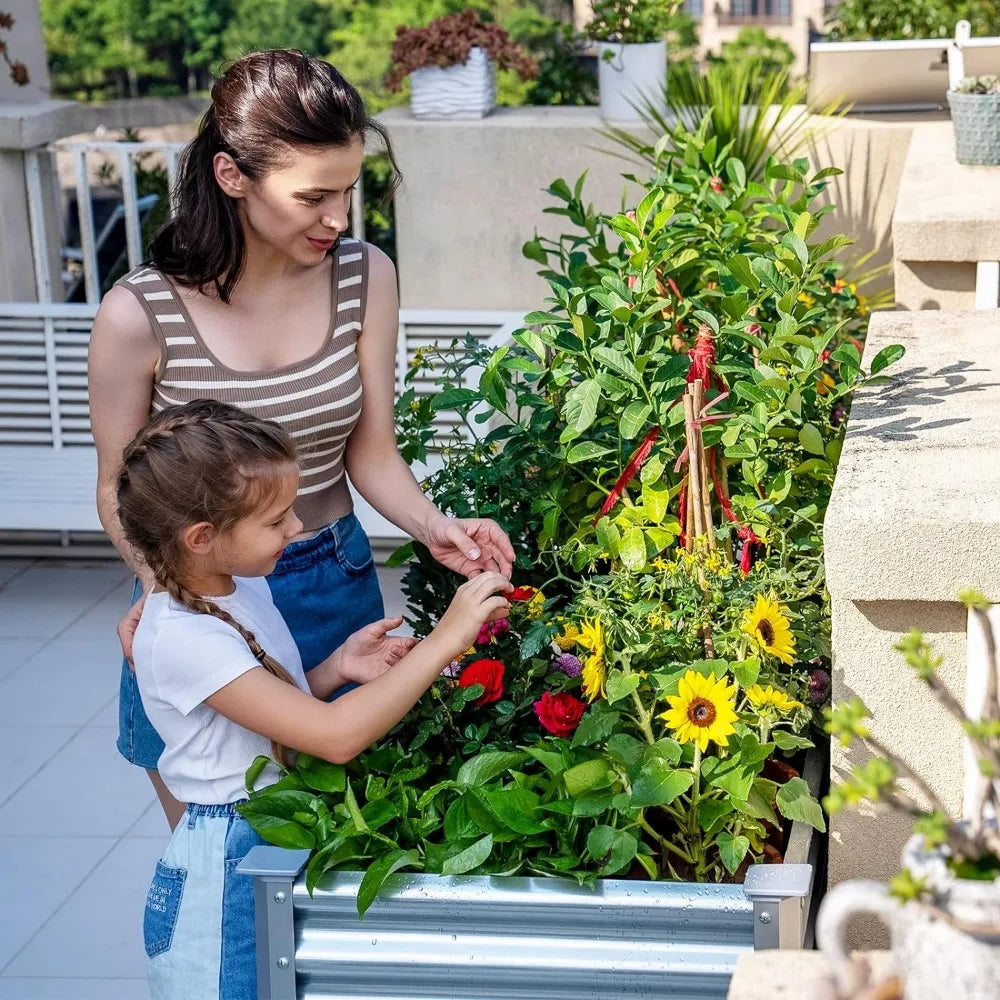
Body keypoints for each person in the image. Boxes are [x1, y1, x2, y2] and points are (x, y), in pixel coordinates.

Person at [87, 49, 515, 829]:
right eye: (313, 196)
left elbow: (370, 451)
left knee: (341, 847)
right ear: (232, 176)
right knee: (221, 844)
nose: (338, 219)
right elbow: (119, 486)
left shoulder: (364, 276)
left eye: (347, 191)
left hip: (329, 579)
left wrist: (435, 529)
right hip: (201, 597)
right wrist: (164, 590)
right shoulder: (137, 314)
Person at [118, 399, 512, 1000]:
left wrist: (332, 670)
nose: (297, 528)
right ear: (201, 538)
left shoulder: (238, 586)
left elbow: (255, 712)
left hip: (271, 826)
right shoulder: (181, 636)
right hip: (227, 865)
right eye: (276, 520)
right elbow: (334, 736)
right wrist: (446, 638)